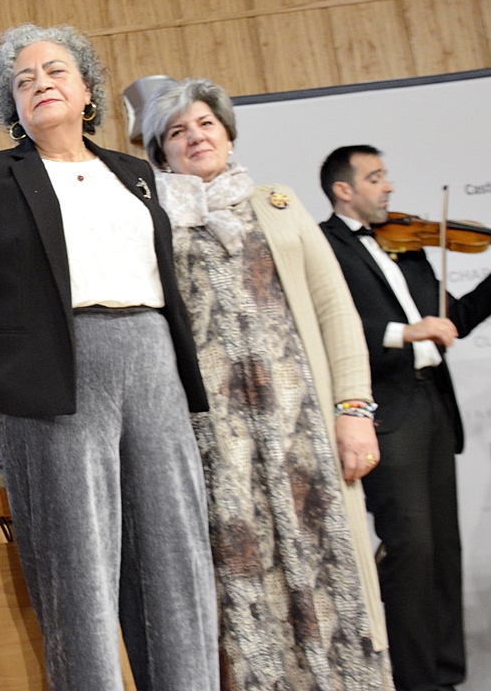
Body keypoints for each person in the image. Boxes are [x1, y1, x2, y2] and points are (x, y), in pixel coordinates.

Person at [0, 24, 219, 691]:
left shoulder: (137, 175)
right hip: (51, 387)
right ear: (10, 107)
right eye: (23, 80)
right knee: (79, 579)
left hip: (154, 368)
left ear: (88, 92)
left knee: (177, 568)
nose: (40, 82)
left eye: (55, 72)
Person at [140, 79, 389, 691]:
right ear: (160, 152)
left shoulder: (278, 203)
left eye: (205, 124)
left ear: (227, 133)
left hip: (300, 427)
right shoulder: (151, 223)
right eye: (177, 132)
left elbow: (336, 312)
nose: (195, 137)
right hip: (213, 440)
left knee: (330, 567)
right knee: (238, 574)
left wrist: (353, 410)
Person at [318, 146, 491, 691]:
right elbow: (330, 329)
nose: (388, 187)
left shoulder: (407, 243)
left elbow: (452, 321)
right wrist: (404, 333)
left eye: (386, 176)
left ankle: (447, 676)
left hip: (433, 406)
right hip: (385, 411)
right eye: (375, 178)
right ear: (342, 189)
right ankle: (413, 681)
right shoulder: (324, 248)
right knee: (410, 549)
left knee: (444, 549)